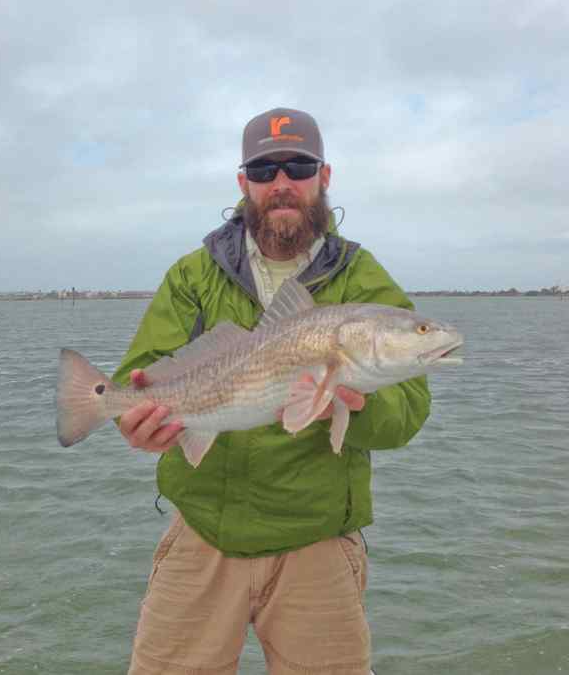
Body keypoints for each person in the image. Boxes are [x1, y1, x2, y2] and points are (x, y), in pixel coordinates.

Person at [112, 108, 430, 675]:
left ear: (324, 177)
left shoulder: (362, 277)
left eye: (298, 166)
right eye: (263, 170)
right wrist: (132, 421)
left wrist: (354, 404)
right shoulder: (193, 274)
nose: (281, 182)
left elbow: (407, 413)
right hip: (203, 530)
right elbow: (136, 378)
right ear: (243, 185)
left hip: (319, 539)